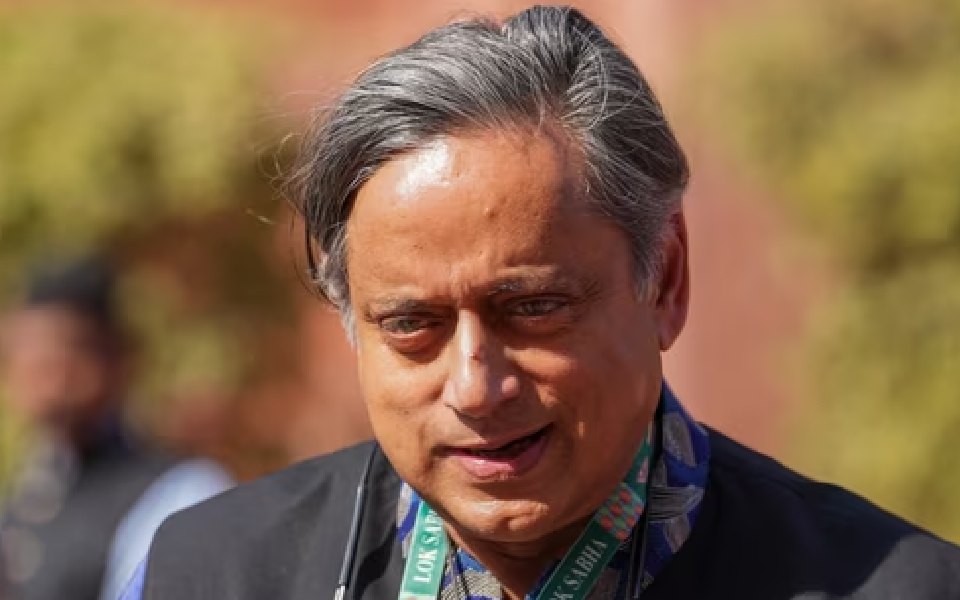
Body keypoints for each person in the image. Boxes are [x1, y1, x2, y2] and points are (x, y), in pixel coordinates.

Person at [129, 6, 960, 600]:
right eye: (411, 325)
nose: (475, 387)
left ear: (665, 280)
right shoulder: (209, 575)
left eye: (532, 309)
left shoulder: (890, 585)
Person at [0, 257, 233, 600]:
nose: (44, 376)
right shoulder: (26, 496)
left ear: (115, 360)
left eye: (62, 353)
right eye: (25, 354)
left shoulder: (178, 493)